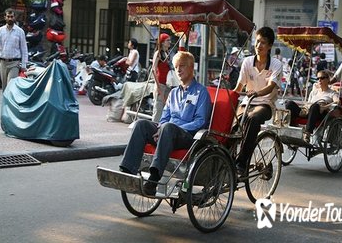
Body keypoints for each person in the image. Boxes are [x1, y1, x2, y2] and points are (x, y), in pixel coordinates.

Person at [119, 51, 211, 195]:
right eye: (176, 67)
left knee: (168, 127)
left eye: (182, 66)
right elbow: (164, 117)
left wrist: (169, 128)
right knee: (141, 124)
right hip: (167, 132)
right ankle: (126, 171)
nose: (178, 70)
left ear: (191, 67)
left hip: (187, 136)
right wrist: (160, 128)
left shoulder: (201, 92)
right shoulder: (174, 93)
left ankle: (154, 179)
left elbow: (200, 121)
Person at [233, 27, 282, 173]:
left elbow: (270, 87)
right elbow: (239, 86)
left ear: (270, 46)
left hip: (265, 104)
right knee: (232, 124)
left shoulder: (276, 65)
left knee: (252, 118)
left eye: (263, 43)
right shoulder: (247, 62)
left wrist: (256, 93)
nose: (259, 46)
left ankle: (242, 163)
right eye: (257, 41)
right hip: (247, 103)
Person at [285, 70, 339, 143]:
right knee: (289, 104)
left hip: (320, 113)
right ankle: (290, 131)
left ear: (328, 80)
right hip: (307, 111)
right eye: (318, 78)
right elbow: (307, 103)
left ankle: (307, 134)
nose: (319, 80)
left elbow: (337, 101)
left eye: (322, 78)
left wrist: (325, 107)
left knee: (315, 106)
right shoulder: (314, 92)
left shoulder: (332, 93)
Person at [0, 8, 28, 91]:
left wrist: (23, 65)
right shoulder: (0, 31)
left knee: (11, 86)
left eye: (12, 16)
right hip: (3, 63)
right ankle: (5, 104)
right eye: (8, 16)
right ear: (5, 17)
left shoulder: (20, 31)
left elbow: (24, 49)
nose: (10, 18)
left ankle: (10, 103)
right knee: (4, 88)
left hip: (14, 63)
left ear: (14, 18)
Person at [152, 33, 172, 122]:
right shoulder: (158, 53)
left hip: (167, 83)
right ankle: (154, 126)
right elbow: (153, 69)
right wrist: (158, 86)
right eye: (168, 40)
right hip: (160, 83)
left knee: (166, 107)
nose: (170, 42)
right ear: (162, 42)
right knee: (158, 108)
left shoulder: (167, 53)